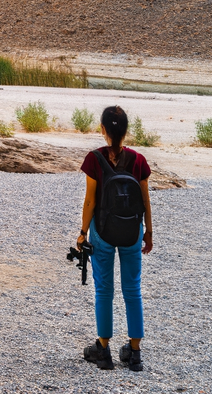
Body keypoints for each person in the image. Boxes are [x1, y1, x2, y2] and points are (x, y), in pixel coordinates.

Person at [77, 105, 153, 372]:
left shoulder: (93, 159)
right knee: (133, 290)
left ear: (103, 130)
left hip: (103, 233)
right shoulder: (138, 160)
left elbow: (90, 201)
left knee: (104, 290)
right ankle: (134, 353)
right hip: (132, 232)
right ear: (125, 131)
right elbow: (144, 199)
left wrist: (83, 232)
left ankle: (104, 349)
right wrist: (149, 232)